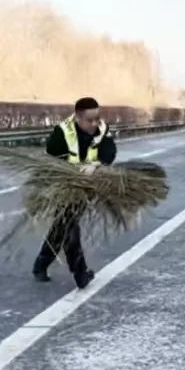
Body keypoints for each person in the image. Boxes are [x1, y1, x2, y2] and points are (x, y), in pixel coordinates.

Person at [32, 97, 117, 288]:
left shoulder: (103, 129)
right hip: (63, 186)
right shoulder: (62, 132)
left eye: (97, 118)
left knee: (61, 226)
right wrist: (71, 173)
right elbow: (52, 157)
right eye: (89, 120)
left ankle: (40, 265)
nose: (94, 124)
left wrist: (96, 165)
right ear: (78, 117)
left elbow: (110, 151)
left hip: (86, 186)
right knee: (69, 225)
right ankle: (80, 273)